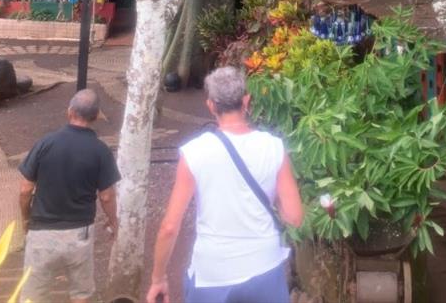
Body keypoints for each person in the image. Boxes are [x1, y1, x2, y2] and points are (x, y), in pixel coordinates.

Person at [146, 66, 303, 303]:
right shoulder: (274, 148)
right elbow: (294, 217)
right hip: (264, 265)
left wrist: (158, 278)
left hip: (213, 272)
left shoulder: (194, 153)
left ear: (211, 105)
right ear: (246, 101)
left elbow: (169, 226)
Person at [19, 88, 120, 303]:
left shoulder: (45, 143)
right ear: (95, 117)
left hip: (42, 231)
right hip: (79, 233)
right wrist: (113, 222)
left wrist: (26, 218)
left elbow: (25, 189)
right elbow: (107, 197)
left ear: (70, 112)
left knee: (34, 295)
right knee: (81, 293)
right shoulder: (101, 150)